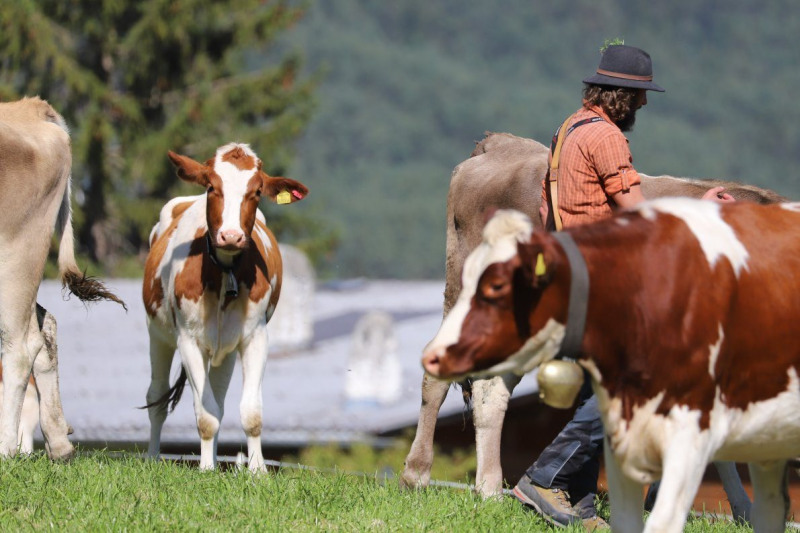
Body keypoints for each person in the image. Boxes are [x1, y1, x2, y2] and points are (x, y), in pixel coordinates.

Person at [511, 44, 734, 530]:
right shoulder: (607, 137)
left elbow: (551, 209)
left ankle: (579, 502)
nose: (644, 104)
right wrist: (701, 208)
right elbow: (640, 213)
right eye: (639, 95)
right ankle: (545, 477)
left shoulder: (569, 129)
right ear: (620, 95)